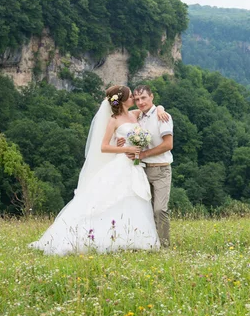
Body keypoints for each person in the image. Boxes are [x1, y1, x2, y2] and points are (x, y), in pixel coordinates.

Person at [28, 85, 168, 255]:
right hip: (122, 163)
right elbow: (104, 147)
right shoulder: (114, 119)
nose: (135, 99)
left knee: (134, 199)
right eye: (131, 96)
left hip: (136, 166)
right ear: (123, 100)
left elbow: (152, 109)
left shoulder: (134, 115)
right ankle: (105, 238)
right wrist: (126, 149)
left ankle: (133, 238)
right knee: (114, 200)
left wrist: (160, 108)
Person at [118, 85, 173, 248]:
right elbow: (120, 120)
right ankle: (149, 243)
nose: (140, 102)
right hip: (141, 170)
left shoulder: (162, 117)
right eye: (137, 99)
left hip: (161, 169)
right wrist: (121, 141)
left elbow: (168, 144)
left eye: (144, 98)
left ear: (152, 97)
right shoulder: (138, 117)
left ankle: (165, 246)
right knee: (145, 210)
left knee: (160, 209)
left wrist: (143, 155)